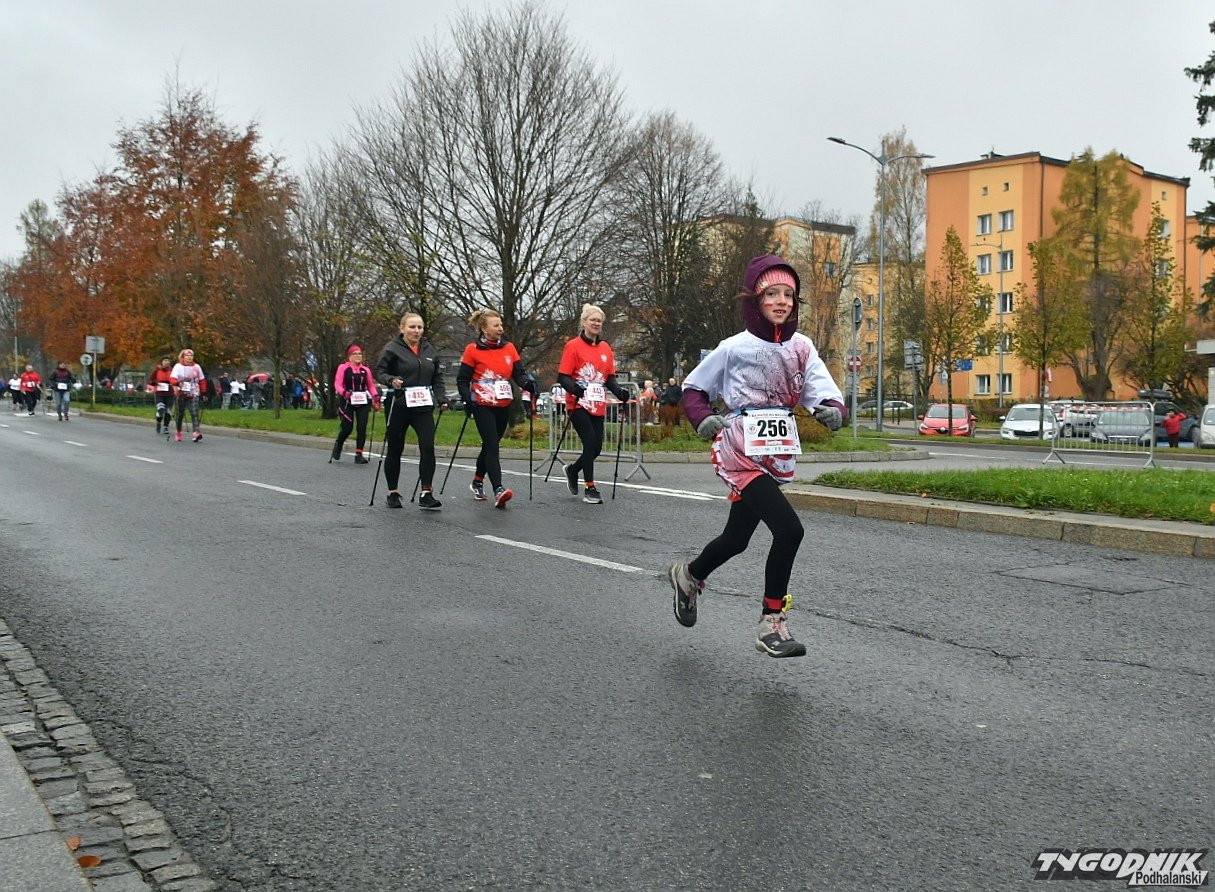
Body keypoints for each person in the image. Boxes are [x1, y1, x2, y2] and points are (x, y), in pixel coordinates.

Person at [668, 255, 846, 659]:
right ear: (755, 300)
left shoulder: (802, 347)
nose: (781, 301)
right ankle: (771, 623)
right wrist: (702, 418)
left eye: (788, 295)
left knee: (736, 539)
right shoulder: (735, 347)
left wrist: (835, 410)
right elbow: (694, 388)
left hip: (775, 453)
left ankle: (689, 575)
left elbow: (823, 389)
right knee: (789, 530)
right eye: (772, 294)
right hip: (740, 450)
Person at [455, 308, 539, 509]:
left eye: (501, 325)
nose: (501, 328)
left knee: (489, 445)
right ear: (484, 329)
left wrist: (527, 384)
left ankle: (477, 481)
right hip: (482, 404)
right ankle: (498, 490)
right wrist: (468, 398)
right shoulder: (472, 350)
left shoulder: (509, 348)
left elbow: (519, 374)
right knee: (492, 445)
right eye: (496, 325)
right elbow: (462, 380)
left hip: (503, 403)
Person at [556, 303, 630, 504]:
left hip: (597, 403)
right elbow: (563, 376)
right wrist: (574, 388)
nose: (596, 324)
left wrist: (620, 392)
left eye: (599, 321)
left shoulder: (605, 348)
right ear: (584, 322)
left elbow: (609, 378)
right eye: (593, 320)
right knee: (589, 442)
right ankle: (590, 487)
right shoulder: (573, 346)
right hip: (578, 403)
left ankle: (573, 470)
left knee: (596, 448)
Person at [374, 313, 448, 509]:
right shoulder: (392, 349)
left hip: (422, 405)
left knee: (428, 446)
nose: (416, 331)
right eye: (412, 327)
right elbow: (380, 372)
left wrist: (442, 398)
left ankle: (426, 492)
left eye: (419, 327)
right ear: (402, 328)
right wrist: (391, 380)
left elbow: (437, 377)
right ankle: (392, 492)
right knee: (395, 448)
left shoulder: (429, 349)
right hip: (399, 404)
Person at [331, 346, 381, 464]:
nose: (359, 356)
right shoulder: (343, 368)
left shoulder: (365, 370)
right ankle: (339, 444)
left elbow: (370, 386)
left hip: (362, 401)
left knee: (362, 427)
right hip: (347, 400)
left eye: (360, 353)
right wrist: (344, 392)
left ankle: (359, 454)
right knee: (347, 427)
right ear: (350, 356)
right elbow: (337, 384)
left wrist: (375, 396)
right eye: (355, 354)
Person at [170, 349, 206, 443]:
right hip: (181, 392)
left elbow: (202, 380)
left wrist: (203, 392)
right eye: (187, 356)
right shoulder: (178, 366)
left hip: (194, 391)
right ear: (183, 357)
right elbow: (172, 379)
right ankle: (178, 432)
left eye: (191, 356)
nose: (190, 357)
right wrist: (178, 383)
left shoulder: (197, 367)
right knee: (180, 414)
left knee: (194, 412)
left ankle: (196, 432)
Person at [148, 356, 175, 434]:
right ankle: (158, 422)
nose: (167, 362)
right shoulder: (157, 370)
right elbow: (150, 380)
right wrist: (155, 383)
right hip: (160, 393)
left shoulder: (172, 370)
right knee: (160, 410)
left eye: (168, 361)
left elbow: (176, 379)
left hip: (170, 393)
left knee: (168, 411)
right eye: (165, 360)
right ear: (161, 362)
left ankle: (166, 427)